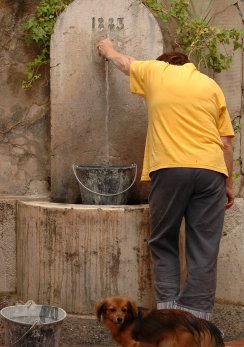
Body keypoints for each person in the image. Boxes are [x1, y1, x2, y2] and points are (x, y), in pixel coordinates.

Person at [97, 38, 235, 321]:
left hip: (170, 168)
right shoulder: (210, 85)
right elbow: (226, 143)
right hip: (211, 171)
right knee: (204, 246)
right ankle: (196, 322)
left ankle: (168, 317)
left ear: (164, 63)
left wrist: (107, 49)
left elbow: (125, 63)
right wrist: (229, 184)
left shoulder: (155, 71)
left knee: (164, 240)